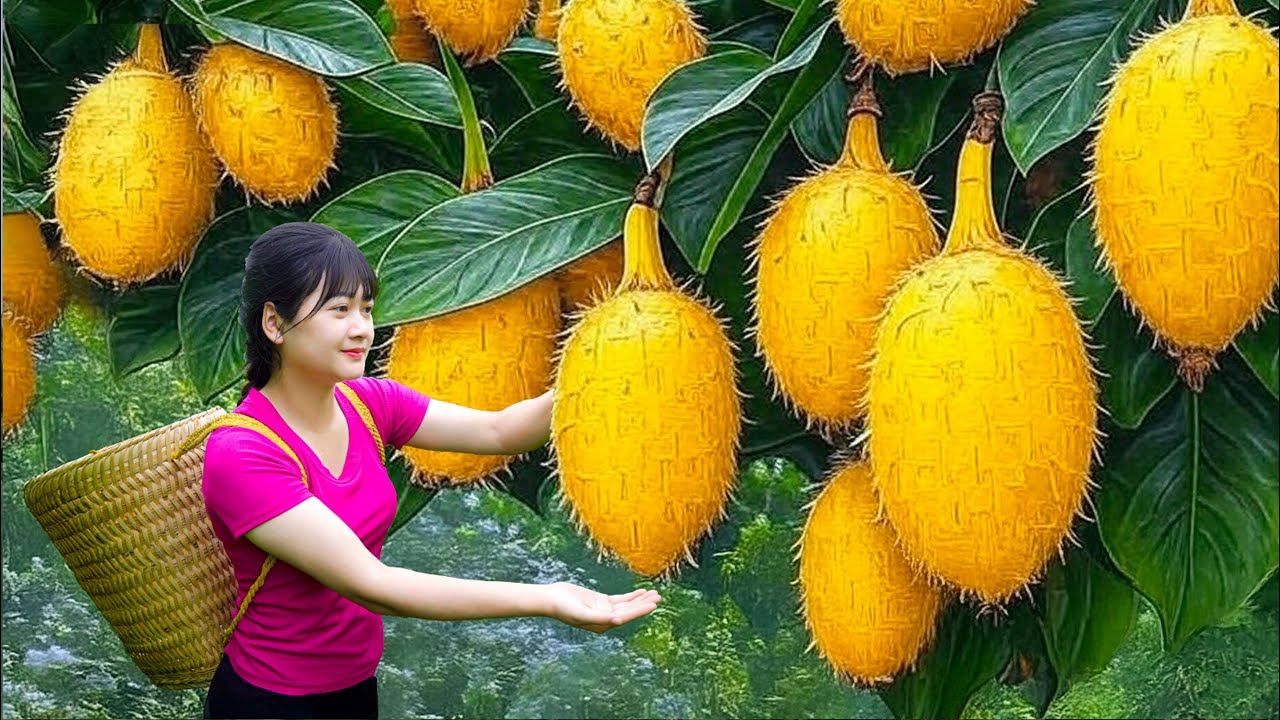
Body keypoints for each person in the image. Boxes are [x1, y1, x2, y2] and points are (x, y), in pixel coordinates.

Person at [200, 222, 661, 720]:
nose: (361, 328)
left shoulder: (371, 403)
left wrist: (608, 351)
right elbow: (372, 584)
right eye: (339, 310)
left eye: (366, 309)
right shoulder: (244, 453)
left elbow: (500, 433)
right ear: (274, 323)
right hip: (270, 702)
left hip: (352, 688)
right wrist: (547, 598)